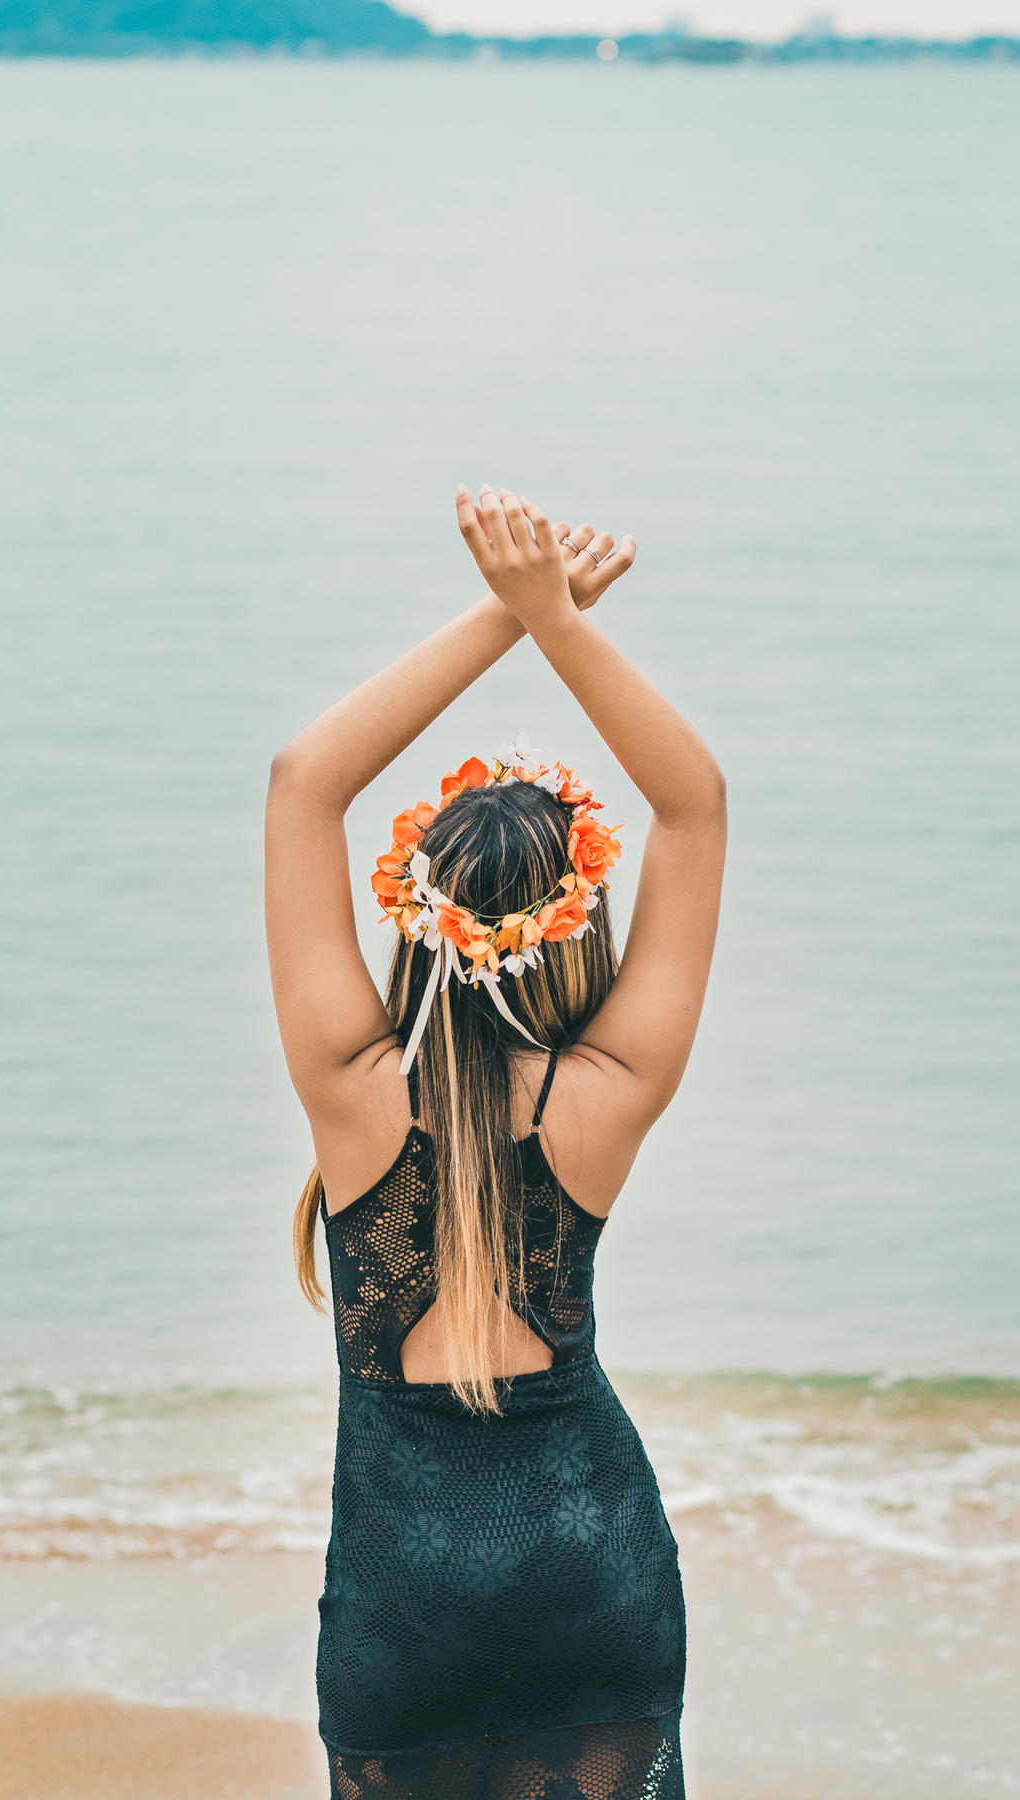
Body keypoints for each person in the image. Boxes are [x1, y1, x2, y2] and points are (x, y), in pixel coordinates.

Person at [266, 484, 727, 1800]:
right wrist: (556, 619)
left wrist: (500, 616)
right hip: (588, 1564)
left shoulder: (352, 1096)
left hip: (403, 1595)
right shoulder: (608, 1092)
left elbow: (305, 783)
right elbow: (693, 806)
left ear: (416, 915)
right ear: (575, 930)